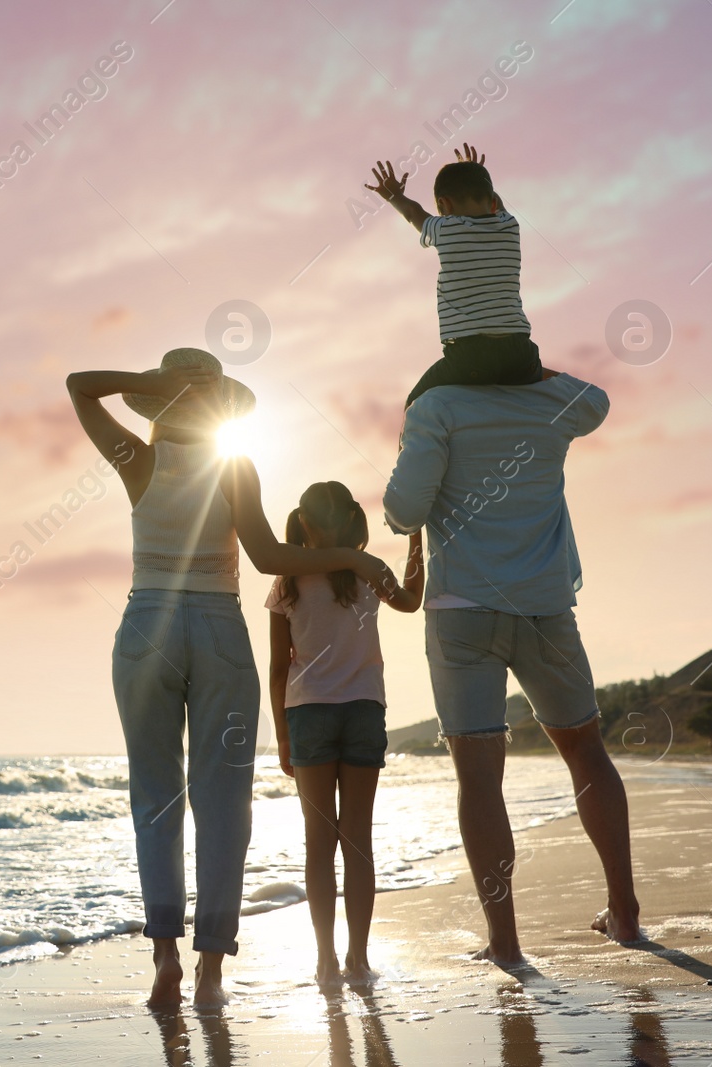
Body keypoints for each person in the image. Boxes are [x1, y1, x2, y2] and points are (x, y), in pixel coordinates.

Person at [66, 348, 400, 1008]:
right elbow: (271, 555)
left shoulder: (139, 458)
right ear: (219, 408)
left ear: (160, 404)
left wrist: (153, 383)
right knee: (223, 803)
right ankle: (211, 971)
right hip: (217, 627)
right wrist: (353, 557)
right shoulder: (233, 465)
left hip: (146, 627)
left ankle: (165, 956)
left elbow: (80, 385)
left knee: (154, 798)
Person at [382, 366, 641, 969]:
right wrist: (527, 364)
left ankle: (506, 944)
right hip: (545, 606)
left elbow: (401, 512)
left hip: (462, 611)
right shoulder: (553, 399)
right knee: (585, 751)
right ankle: (624, 913)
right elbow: (598, 401)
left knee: (479, 779)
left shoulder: (435, 405)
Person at [267, 482, 423, 987]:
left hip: (308, 713)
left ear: (304, 523)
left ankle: (326, 962)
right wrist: (417, 539)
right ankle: (357, 959)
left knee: (319, 844)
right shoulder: (369, 569)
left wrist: (282, 737)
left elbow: (276, 667)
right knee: (357, 841)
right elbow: (412, 600)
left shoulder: (288, 579)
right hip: (361, 711)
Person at [364, 143, 544, 408]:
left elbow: (413, 213)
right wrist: (478, 174)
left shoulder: (446, 228)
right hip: (522, 355)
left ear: (443, 205)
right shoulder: (510, 226)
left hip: (470, 357)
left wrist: (393, 195)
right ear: (492, 200)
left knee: (415, 404)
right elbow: (496, 204)